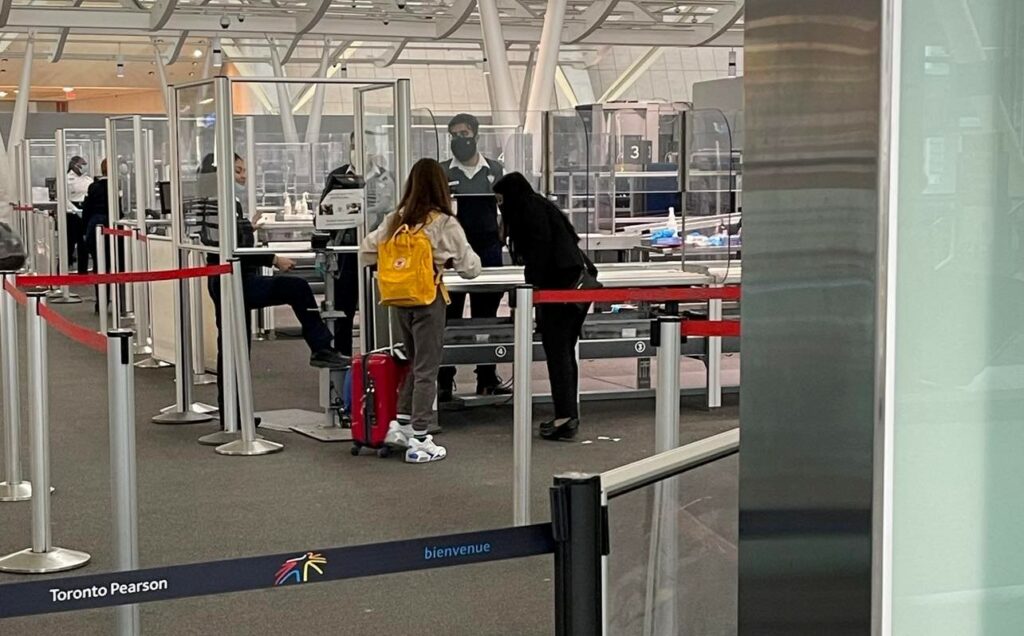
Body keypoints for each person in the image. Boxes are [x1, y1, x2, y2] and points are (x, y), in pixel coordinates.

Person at [201, 154, 349, 421]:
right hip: (235, 280)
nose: (243, 176)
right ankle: (321, 348)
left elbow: (228, 240)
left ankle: (234, 415)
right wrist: (273, 259)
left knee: (234, 347)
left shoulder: (218, 202)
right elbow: (232, 247)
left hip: (227, 279)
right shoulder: (222, 202)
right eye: (237, 171)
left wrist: (249, 227)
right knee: (297, 288)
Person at [360, 158, 481, 463]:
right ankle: (421, 437)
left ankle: (401, 424)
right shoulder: (443, 222)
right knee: (428, 368)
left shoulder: (395, 219)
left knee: (415, 363)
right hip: (428, 300)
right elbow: (471, 269)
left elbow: (366, 250)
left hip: (399, 300)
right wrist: (446, 260)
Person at [493, 172, 597, 441]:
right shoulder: (540, 206)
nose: (499, 205)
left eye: (501, 200)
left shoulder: (529, 212)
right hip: (573, 288)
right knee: (564, 351)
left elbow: (539, 251)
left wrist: (532, 287)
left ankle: (565, 416)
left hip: (560, 291)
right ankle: (568, 413)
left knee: (558, 351)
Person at [438, 113, 509, 400]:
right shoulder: (443, 172)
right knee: (448, 316)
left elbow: (507, 209)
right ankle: (444, 380)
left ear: (476, 136)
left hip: (488, 251)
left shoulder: (494, 170)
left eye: (464, 134)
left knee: (486, 317)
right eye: (454, 135)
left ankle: (487, 376)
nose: (460, 139)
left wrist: (502, 239)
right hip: (451, 253)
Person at [319, 132, 396, 357]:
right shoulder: (338, 176)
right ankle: (342, 361)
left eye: (362, 146)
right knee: (343, 309)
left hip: (379, 252)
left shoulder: (386, 178)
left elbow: (393, 213)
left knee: (379, 309)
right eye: (353, 145)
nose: (357, 150)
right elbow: (323, 215)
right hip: (348, 251)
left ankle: (379, 359)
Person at [81, 159, 111, 275]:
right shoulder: (116, 186)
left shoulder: (93, 187)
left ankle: (101, 291)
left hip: (94, 226)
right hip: (111, 225)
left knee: (98, 261)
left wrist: (84, 231)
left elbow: (87, 209)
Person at [65, 156, 91, 273]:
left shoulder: (88, 179)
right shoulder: (66, 179)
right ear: (75, 165)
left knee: (84, 242)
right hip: (72, 213)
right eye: (83, 164)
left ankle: (83, 270)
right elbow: (64, 198)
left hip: (85, 210)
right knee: (70, 242)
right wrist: (75, 210)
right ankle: (64, 268)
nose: (85, 166)